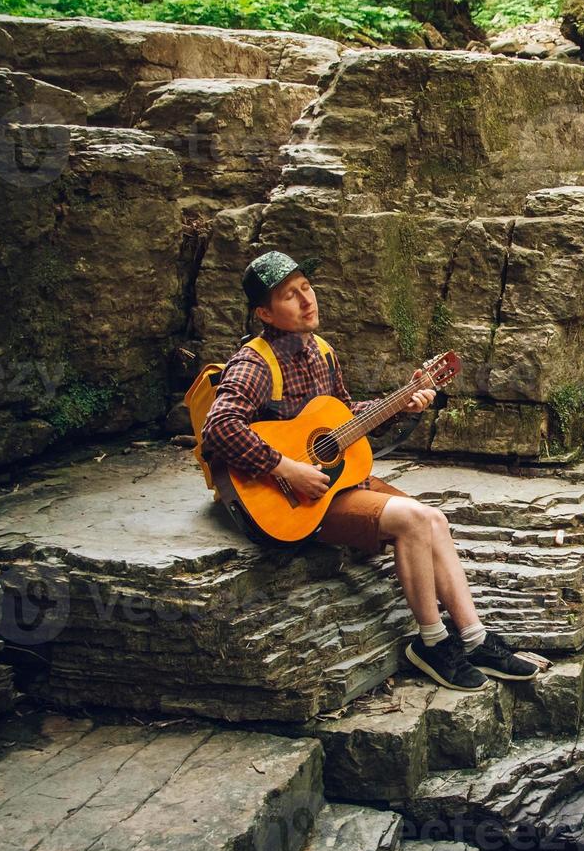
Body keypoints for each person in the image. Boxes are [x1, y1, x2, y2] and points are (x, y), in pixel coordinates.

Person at [201, 250, 543, 691]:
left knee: (435, 518)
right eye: (290, 295)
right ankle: (431, 642)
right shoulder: (254, 363)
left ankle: (474, 639)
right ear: (265, 313)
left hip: (333, 483)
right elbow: (219, 428)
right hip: (290, 500)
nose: (307, 300)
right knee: (415, 520)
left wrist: (403, 401)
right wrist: (286, 468)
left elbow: (340, 421)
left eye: (306, 287)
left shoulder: (321, 352)